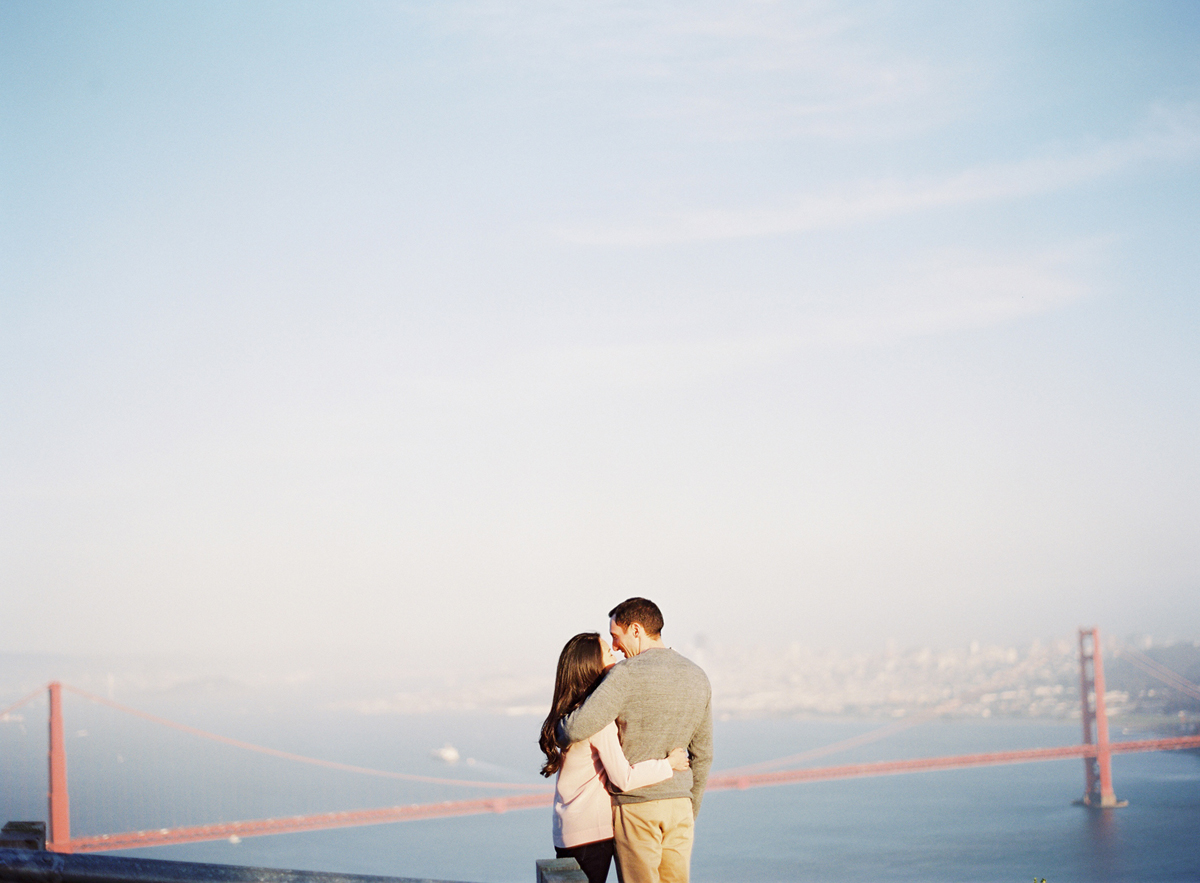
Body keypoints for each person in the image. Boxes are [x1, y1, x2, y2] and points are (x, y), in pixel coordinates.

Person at [558, 598, 712, 883]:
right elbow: (703, 754)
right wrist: (689, 808)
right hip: (680, 807)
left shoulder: (624, 674)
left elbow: (576, 729)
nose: (615, 647)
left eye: (616, 637)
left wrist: (557, 726)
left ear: (637, 630)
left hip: (636, 807)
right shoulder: (698, 676)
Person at [539, 632, 691, 883]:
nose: (617, 658)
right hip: (592, 834)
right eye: (609, 653)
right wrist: (669, 764)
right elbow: (624, 778)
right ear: (592, 666)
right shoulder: (597, 721)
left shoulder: (571, 714)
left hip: (566, 830)